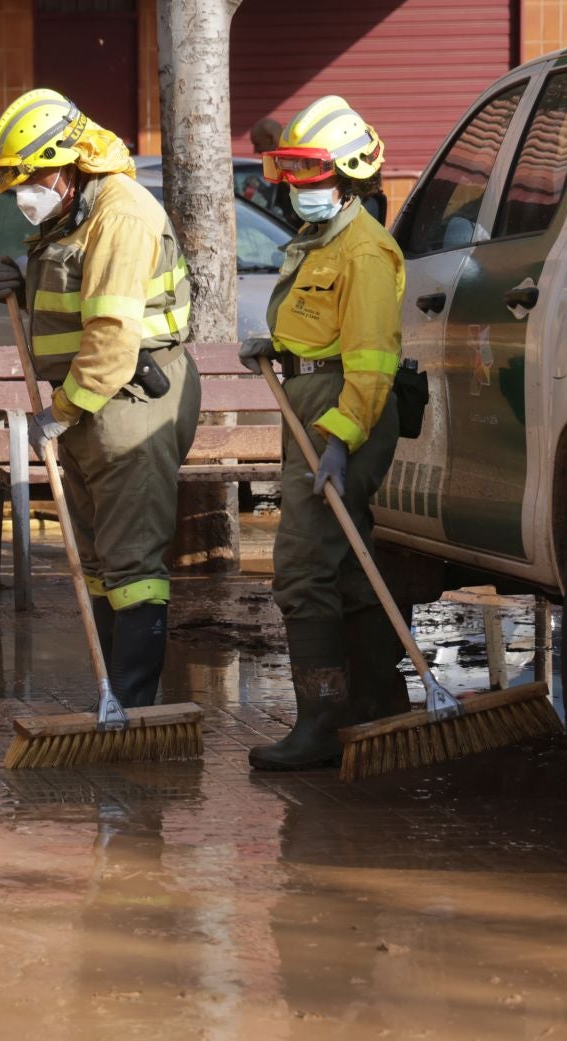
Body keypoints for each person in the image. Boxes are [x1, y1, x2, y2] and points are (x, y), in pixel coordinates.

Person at [0, 89, 201, 707]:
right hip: (87, 404)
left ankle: (132, 707)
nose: (25, 194)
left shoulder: (120, 214)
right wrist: (19, 285)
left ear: (67, 162)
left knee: (131, 565)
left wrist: (59, 415)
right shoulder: (73, 210)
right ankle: (111, 695)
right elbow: (74, 298)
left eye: (32, 178)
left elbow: (110, 337)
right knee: (100, 562)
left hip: (128, 403)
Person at [239, 94, 407, 771]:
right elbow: (323, 333)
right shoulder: (321, 240)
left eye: (312, 176)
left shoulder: (365, 251)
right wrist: (277, 350)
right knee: (343, 565)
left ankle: (320, 721)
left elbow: (371, 360)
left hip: (345, 418)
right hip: (316, 405)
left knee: (304, 567)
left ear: (348, 174)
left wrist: (340, 445)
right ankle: (378, 702)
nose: (297, 189)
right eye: (294, 175)